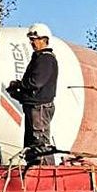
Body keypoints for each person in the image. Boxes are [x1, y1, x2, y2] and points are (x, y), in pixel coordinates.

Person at [6, 23, 59, 166]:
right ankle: (35, 170)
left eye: (34, 39)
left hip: (39, 107)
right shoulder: (39, 58)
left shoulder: (45, 59)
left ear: (44, 39)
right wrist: (19, 92)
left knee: (39, 143)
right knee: (32, 144)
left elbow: (35, 82)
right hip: (34, 106)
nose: (32, 43)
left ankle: (47, 175)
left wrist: (19, 86)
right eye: (31, 40)